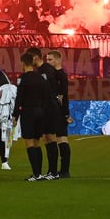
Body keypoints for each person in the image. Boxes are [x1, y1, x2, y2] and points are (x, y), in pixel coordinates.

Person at [12, 52, 52, 181]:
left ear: (23, 63)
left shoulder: (23, 78)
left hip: (28, 112)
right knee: (37, 142)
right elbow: (47, 96)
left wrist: (15, 115)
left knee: (29, 142)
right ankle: (39, 173)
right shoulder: (41, 78)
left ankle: (35, 174)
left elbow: (19, 98)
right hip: (40, 112)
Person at [29, 47, 62, 179]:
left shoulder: (47, 70)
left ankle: (53, 172)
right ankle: (51, 171)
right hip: (43, 109)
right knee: (47, 139)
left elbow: (52, 90)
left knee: (51, 138)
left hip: (50, 108)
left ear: (35, 57)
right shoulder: (40, 71)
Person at [45, 50, 74, 178]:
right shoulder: (53, 75)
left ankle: (64, 170)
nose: (48, 62)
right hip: (55, 111)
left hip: (59, 112)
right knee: (58, 139)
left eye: (50, 60)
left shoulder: (60, 76)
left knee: (61, 139)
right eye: (47, 60)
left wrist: (65, 114)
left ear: (58, 60)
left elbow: (62, 97)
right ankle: (61, 171)